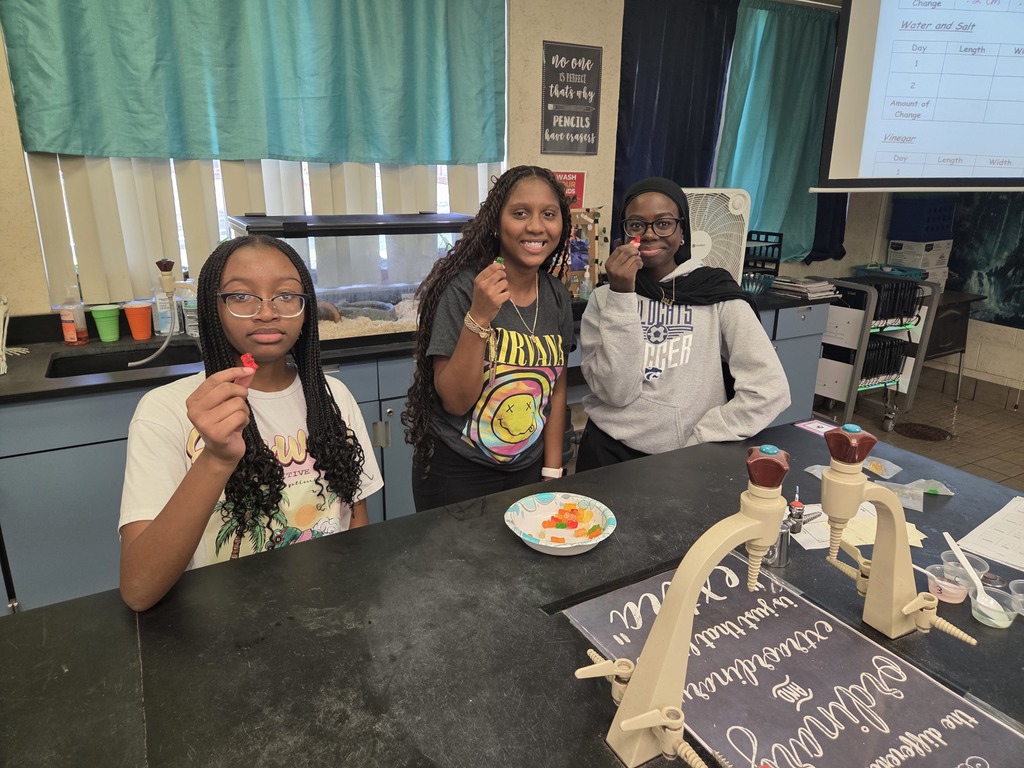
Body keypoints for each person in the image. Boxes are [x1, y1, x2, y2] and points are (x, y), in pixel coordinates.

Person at [119, 235, 382, 611]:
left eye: (286, 295)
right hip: (224, 629)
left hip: (328, 613)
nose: (267, 312)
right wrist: (217, 459)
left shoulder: (333, 397)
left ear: (306, 308)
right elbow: (138, 590)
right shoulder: (166, 411)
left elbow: (354, 519)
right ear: (213, 308)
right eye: (241, 296)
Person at [576, 177, 790, 471]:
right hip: (607, 451)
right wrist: (621, 295)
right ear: (625, 233)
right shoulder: (605, 298)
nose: (649, 235)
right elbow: (617, 392)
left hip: (687, 455)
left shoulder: (716, 293)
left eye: (663, 224)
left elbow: (769, 389)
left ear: (683, 232)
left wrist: (705, 436)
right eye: (636, 225)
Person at [402, 165, 576, 511]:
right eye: (520, 213)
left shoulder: (556, 296)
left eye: (549, 214)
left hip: (527, 469)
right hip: (456, 472)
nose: (536, 226)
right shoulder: (465, 289)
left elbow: (555, 391)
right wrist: (479, 316)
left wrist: (553, 471)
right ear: (497, 224)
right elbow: (454, 401)